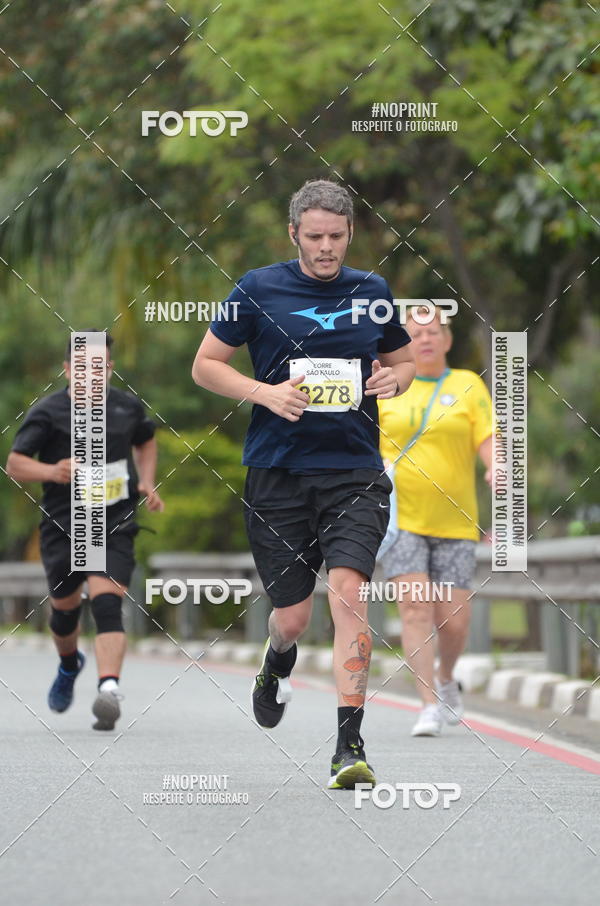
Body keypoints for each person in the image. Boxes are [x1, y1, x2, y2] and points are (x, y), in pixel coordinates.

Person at [192, 179, 415, 789]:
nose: (325, 249)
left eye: (336, 238)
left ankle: (349, 745)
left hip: (354, 473)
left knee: (349, 595)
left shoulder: (372, 292)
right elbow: (205, 365)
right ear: (293, 234)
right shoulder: (258, 288)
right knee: (290, 617)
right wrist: (265, 392)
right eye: (314, 237)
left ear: (350, 234)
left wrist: (396, 381)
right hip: (278, 475)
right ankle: (276, 662)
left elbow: (403, 361)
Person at [6, 330, 164, 730]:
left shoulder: (127, 408)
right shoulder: (48, 412)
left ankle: (108, 690)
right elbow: (15, 464)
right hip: (65, 522)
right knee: (64, 610)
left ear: (110, 370)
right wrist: (52, 470)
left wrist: (146, 481)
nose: (91, 375)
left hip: (114, 519)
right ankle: (68, 662)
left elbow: (146, 441)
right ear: (66, 370)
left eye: (100, 367)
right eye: (82, 368)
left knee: (107, 600)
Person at [378, 306, 493, 736]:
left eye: (433, 332)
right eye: (415, 333)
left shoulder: (467, 385)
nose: (424, 339)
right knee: (414, 608)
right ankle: (427, 705)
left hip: (456, 522)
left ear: (447, 339)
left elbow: (488, 436)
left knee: (454, 621)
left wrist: (495, 467)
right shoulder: (388, 384)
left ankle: (446, 678)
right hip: (401, 517)